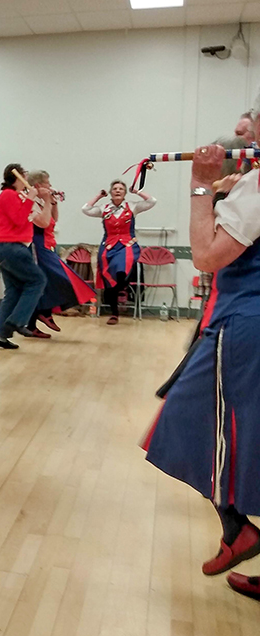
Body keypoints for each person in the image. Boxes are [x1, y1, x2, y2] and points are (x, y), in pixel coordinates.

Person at [142, 132, 260, 603]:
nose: (244, 140)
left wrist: (201, 187)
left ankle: (237, 529)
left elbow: (208, 256)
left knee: (186, 424)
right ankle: (236, 529)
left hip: (245, 321)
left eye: (250, 130)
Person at [27, 170, 96, 337]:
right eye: (47, 183)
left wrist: (53, 202)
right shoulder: (31, 202)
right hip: (37, 247)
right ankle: (42, 313)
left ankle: (39, 316)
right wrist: (46, 200)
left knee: (49, 283)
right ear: (38, 185)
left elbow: (53, 220)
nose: (50, 186)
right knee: (61, 279)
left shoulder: (42, 201)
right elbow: (42, 224)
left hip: (47, 245)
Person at [0, 164, 52, 349]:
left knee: (14, 292)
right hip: (10, 247)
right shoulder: (8, 195)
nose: (27, 178)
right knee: (38, 281)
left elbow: (43, 222)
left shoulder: (19, 197)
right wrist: (31, 199)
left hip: (10, 248)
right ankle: (17, 321)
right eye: (24, 174)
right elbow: (18, 219)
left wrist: (42, 200)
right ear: (16, 177)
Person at [82, 180, 156, 325]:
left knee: (121, 269)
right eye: (115, 188)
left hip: (127, 245)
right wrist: (98, 196)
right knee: (109, 280)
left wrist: (138, 192)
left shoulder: (133, 206)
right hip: (108, 246)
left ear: (125, 193)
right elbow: (86, 209)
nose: (117, 191)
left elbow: (152, 201)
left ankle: (122, 287)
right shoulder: (104, 208)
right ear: (110, 192)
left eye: (121, 189)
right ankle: (114, 313)